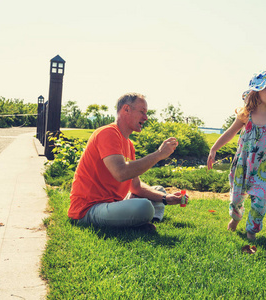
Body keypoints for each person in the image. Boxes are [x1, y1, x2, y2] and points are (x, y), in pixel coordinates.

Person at [207, 71, 266, 241]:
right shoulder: (246, 115)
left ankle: (252, 230)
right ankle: (235, 218)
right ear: (256, 92)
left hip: (264, 169)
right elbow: (230, 133)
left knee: (260, 202)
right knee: (236, 198)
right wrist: (214, 149)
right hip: (242, 166)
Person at [68, 92, 186, 230]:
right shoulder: (107, 133)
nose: (146, 117)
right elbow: (121, 173)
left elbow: (136, 187)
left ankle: (143, 222)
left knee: (159, 191)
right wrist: (158, 154)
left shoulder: (129, 145)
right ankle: (140, 221)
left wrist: (166, 198)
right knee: (144, 206)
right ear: (126, 109)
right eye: (142, 112)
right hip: (88, 210)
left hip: (114, 204)